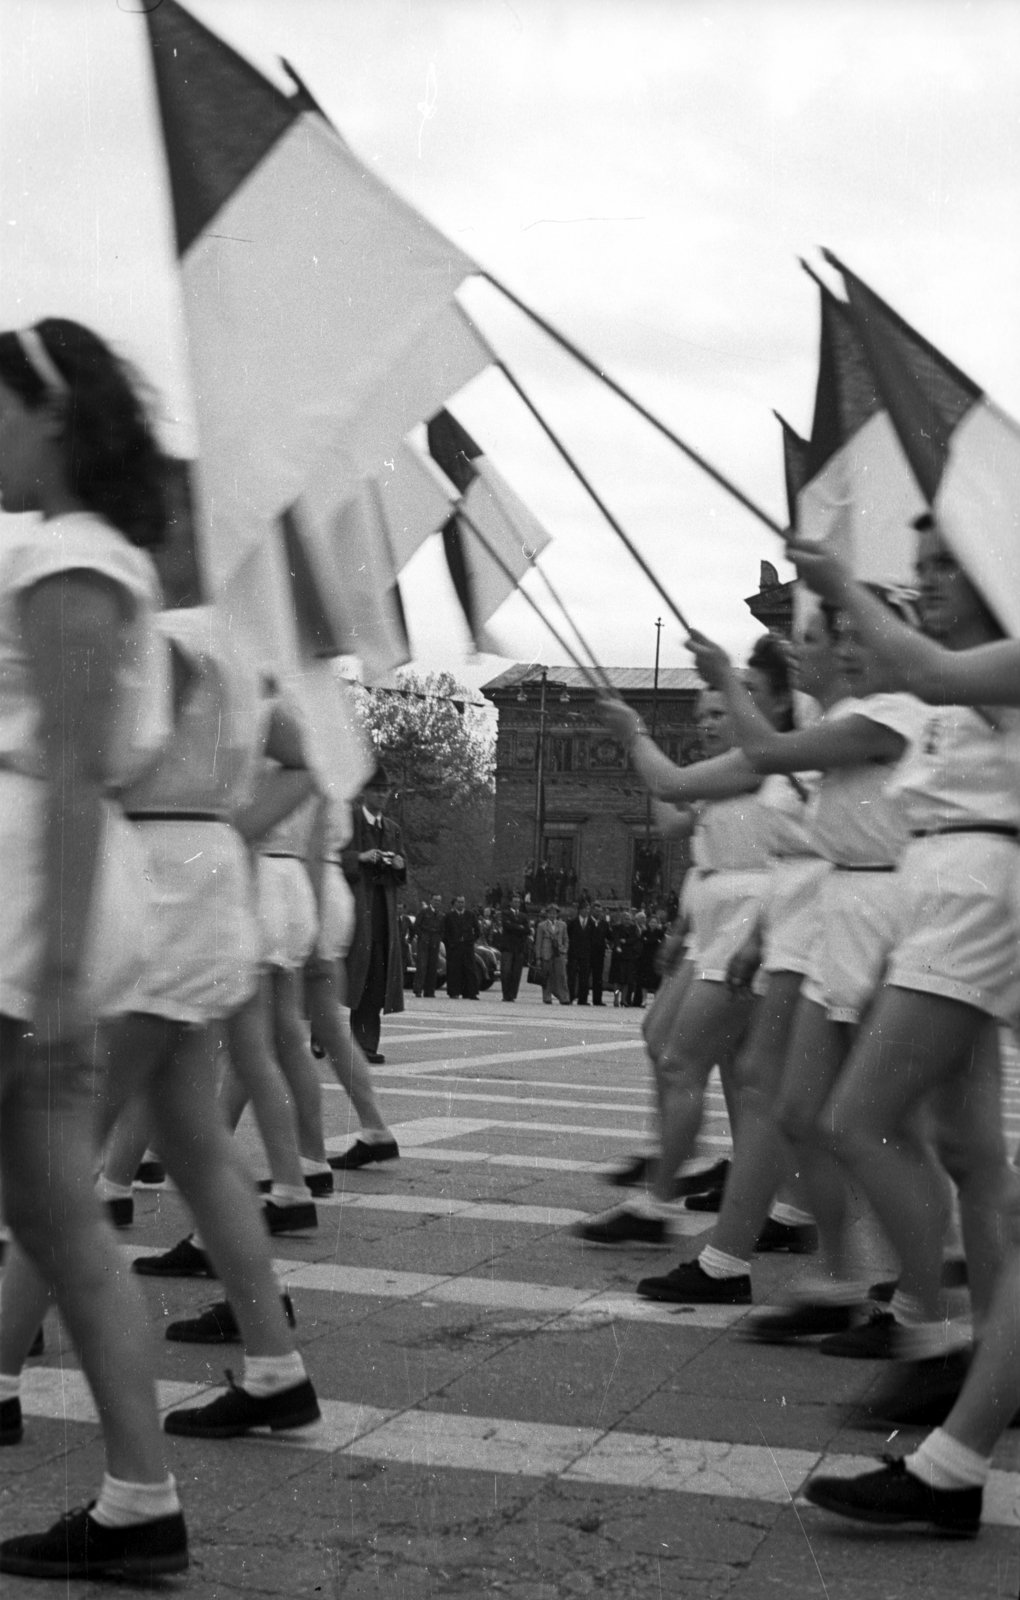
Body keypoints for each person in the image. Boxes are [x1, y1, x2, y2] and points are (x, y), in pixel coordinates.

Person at [0, 318, 188, 1580]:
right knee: (63, 1217)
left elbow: (67, 766)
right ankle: (142, 1498)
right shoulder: (103, 552)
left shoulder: (70, 555)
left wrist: (59, 967)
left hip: (29, 899)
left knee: (60, 1212)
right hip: (55, 892)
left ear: (52, 416)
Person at [573, 638, 791, 1247]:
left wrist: (636, 735)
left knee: (694, 1059)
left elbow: (673, 791)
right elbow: (672, 812)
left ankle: (670, 1197)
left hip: (753, 918)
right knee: (695, 1054)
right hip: (723, 918)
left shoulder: (764, 757)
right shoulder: (743, 761)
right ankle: (713, 1180)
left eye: (735, 702)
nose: (718, 717)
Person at [343, 764, 407, 1063]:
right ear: (365, 792)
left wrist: (398, 865)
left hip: (381, 916)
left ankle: (365, 1046)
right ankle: (322, 1029)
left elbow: (400, 875)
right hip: (353, 914)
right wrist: (361, 857)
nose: (382, 796)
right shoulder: (351, 821)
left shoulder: (392, 829)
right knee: (344, 978)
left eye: (386, 791)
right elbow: (334, 857)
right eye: (377, 790)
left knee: (374, 983)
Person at [443, 894, 480, 999]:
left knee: (470, 970)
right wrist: (450, 943)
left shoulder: (470, 915)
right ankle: (454, 992)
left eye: (462, 902)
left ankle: (471, 993)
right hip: (454, 947)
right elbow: (445, 932)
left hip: (467, 946)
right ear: (455, 903)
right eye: (459, 902)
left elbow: (477, 931)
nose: (461, 904)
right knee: (454, 970)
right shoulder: (449, 916)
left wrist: (470, 940)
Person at [536, 903, 569, 1004]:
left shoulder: (563, 925)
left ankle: (564, 997)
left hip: (559, 953)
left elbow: (566, 939)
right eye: (550, 913)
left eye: (554, 913)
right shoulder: (541, 925)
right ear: (547, 914)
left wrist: (564, 949)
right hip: (546, 953)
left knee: (562, 976)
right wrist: (538, 957)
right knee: (547, 976)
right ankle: (547, 997)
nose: (552, 915)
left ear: (557, 914)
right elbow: (538, 942)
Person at [499, 892, 530, 1001]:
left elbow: (528, 930)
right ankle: (505, 994)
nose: (517, 904)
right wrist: (519, 927)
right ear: (511, 903)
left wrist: (516, 927)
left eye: (518, 902)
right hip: (508, 947)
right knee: (506, 971)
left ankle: (512, 995)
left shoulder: (523, 915)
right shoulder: (505, 913)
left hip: (519, 947)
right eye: (515, 902)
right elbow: (507, 926)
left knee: (516, 972)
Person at [413, 892, 444, 997]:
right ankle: (418, 990)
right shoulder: (424, 911)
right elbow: (416, 925)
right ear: (431, 900)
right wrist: (421, 936)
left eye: (439, 901)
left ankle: (429, 991)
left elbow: (442, 929)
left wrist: (439, 938)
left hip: (435, 940)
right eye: (435, 900)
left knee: (433, 966)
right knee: (422, 965)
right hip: (424, 940)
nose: (437, 903)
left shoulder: (441, 914)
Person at [567, 899, 597, 1005]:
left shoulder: (591, 923)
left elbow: (593, 939)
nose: (586, 911)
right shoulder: (572, 923)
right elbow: (569, 937)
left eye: (588, 909)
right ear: (579, 910)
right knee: (571, 976)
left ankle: (582, 999)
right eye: (584, 909)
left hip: (586, 954)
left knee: (584, 977)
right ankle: (569, 997)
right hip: (574, 953)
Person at [589, 902, 610, 1005]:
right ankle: (582, 998)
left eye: (599, 911)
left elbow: (610, 936)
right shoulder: (587, 922)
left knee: (598, 978)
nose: (598, 913)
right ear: (592, 911)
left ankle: (597, 1000)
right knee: (585, 976)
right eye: (596, 911)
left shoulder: (604, 924)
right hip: (588, 954)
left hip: (599, 955)